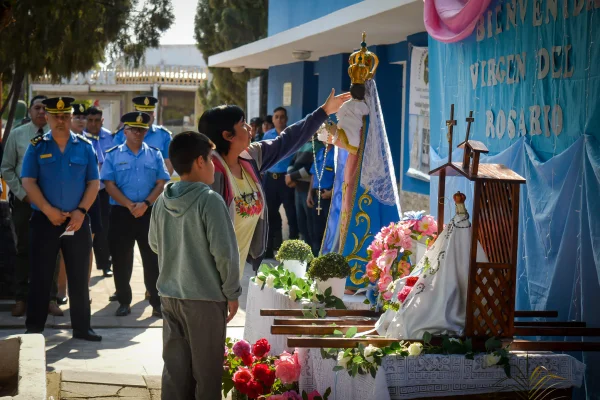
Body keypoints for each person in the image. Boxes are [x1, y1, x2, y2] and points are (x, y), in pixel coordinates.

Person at [198, 89, 351, 275]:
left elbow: (287, 141)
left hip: (231, 271)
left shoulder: (250, 157)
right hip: (206, 275)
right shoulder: (209, 174)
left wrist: (324, 111)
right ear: (227, 135)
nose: (249, 128)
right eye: (242, 124)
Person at [149, 131, 241, 400]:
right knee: (207, 375)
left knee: (175, 372)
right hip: (204, 299)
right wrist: (232, 292)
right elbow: (225, 254)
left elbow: (155, 244)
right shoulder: (209, 200)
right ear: (200, 161)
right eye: (211, 159)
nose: (214, 165)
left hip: (169, 295)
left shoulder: (162, 201)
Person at [21, 96, 101, 341]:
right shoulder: (37, 146)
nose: (61, 120)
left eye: (65, 116)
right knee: (41, 276)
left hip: (77, 220)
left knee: (78, 278)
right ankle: (34, 329)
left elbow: (94, 182)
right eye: (56, 116)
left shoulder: (85, 146)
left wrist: (81, 211)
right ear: (47, 117)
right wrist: (47, 210)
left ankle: (82, 328)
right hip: (46, 221)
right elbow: (28, 181)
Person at [101, 112, 169, 318]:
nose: (138, 133)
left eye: (142, 129)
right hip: (122, 212)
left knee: (152, 258)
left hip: (148, 212)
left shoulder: (154, 154)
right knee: (122, 259)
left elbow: (161, 181)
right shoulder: (113, 154)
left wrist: (146, 204)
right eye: (133, 129)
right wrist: (130, 205)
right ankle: (124, 301)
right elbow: (109, 184)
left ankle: (156, 302)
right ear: (125, 131)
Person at [0, 95, 63, 317]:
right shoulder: (18, 135)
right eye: (37, 108)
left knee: (52, 250)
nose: (41, 112)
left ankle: (51, 298)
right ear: (30, 110)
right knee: (23, 250)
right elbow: (6, 168)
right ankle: (21, 298)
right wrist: (23, 194)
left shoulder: (58, 136)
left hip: (52, 203)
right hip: (25, 202)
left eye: (46, 109)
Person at [261, 107, 300, 257]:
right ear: (272, 120)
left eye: (282, 117)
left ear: (286, 119)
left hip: (286, 179)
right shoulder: (267, 135)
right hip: (270, 179)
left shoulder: (292, 134)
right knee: (269, 214)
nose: (279, 120)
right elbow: (263, 154)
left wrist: (292, 174)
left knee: (291, 214)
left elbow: (297, 156)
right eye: (276, 117)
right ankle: (268, 249)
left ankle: (293, 251)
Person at [112, 96, 173, 175]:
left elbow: (168, 165)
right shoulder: (121, 134)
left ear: (154, 114)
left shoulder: (164, 135)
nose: (147, 117)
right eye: (143, 114)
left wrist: (159, 185)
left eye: (150, 113)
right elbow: (113, 162)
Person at [86, 106, 114, 277]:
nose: (93, 124)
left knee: (104, 227)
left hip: (104, 190)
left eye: (97, 120)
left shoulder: (110, 137)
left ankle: (105, 264)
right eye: (90, 120)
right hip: (86, 190)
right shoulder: (80, 138)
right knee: (86, 227)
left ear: (102, 120)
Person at [286, 135, 322, 248]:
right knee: (302, 225)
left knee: (311, 226)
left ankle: (313, 256)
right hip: (298, 188)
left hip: (308, 189)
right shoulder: (303, 143)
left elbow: (311, 168)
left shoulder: (319, 145)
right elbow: (292, 162)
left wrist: (292, 176)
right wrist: (290, 176)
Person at [307, 142, 335, 256]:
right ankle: (315, 259)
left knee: (328, 231)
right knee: (316, 231)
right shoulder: (320, 152)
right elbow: (313, 174)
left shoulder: (337, 154)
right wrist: (310, 193)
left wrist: (332, 192)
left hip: (329, 197)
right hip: (316, 196)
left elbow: (342, 176)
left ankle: (327, 259)